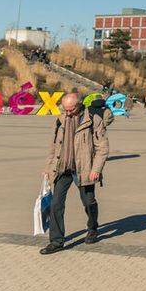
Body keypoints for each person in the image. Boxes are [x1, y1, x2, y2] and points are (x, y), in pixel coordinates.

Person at [40, 92, 109, 255]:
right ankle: (56, 241)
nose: (68, 113)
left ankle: (92, 228)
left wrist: (96, 170)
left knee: (88, 202)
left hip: (84, 169)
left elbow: (102, 147)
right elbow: (53, 146)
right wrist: (48, 168)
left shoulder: (93, 119)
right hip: (62, 168)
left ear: (79, 105)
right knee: (56, 204)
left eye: (71, 110)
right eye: (65, 109)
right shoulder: (60, 119)